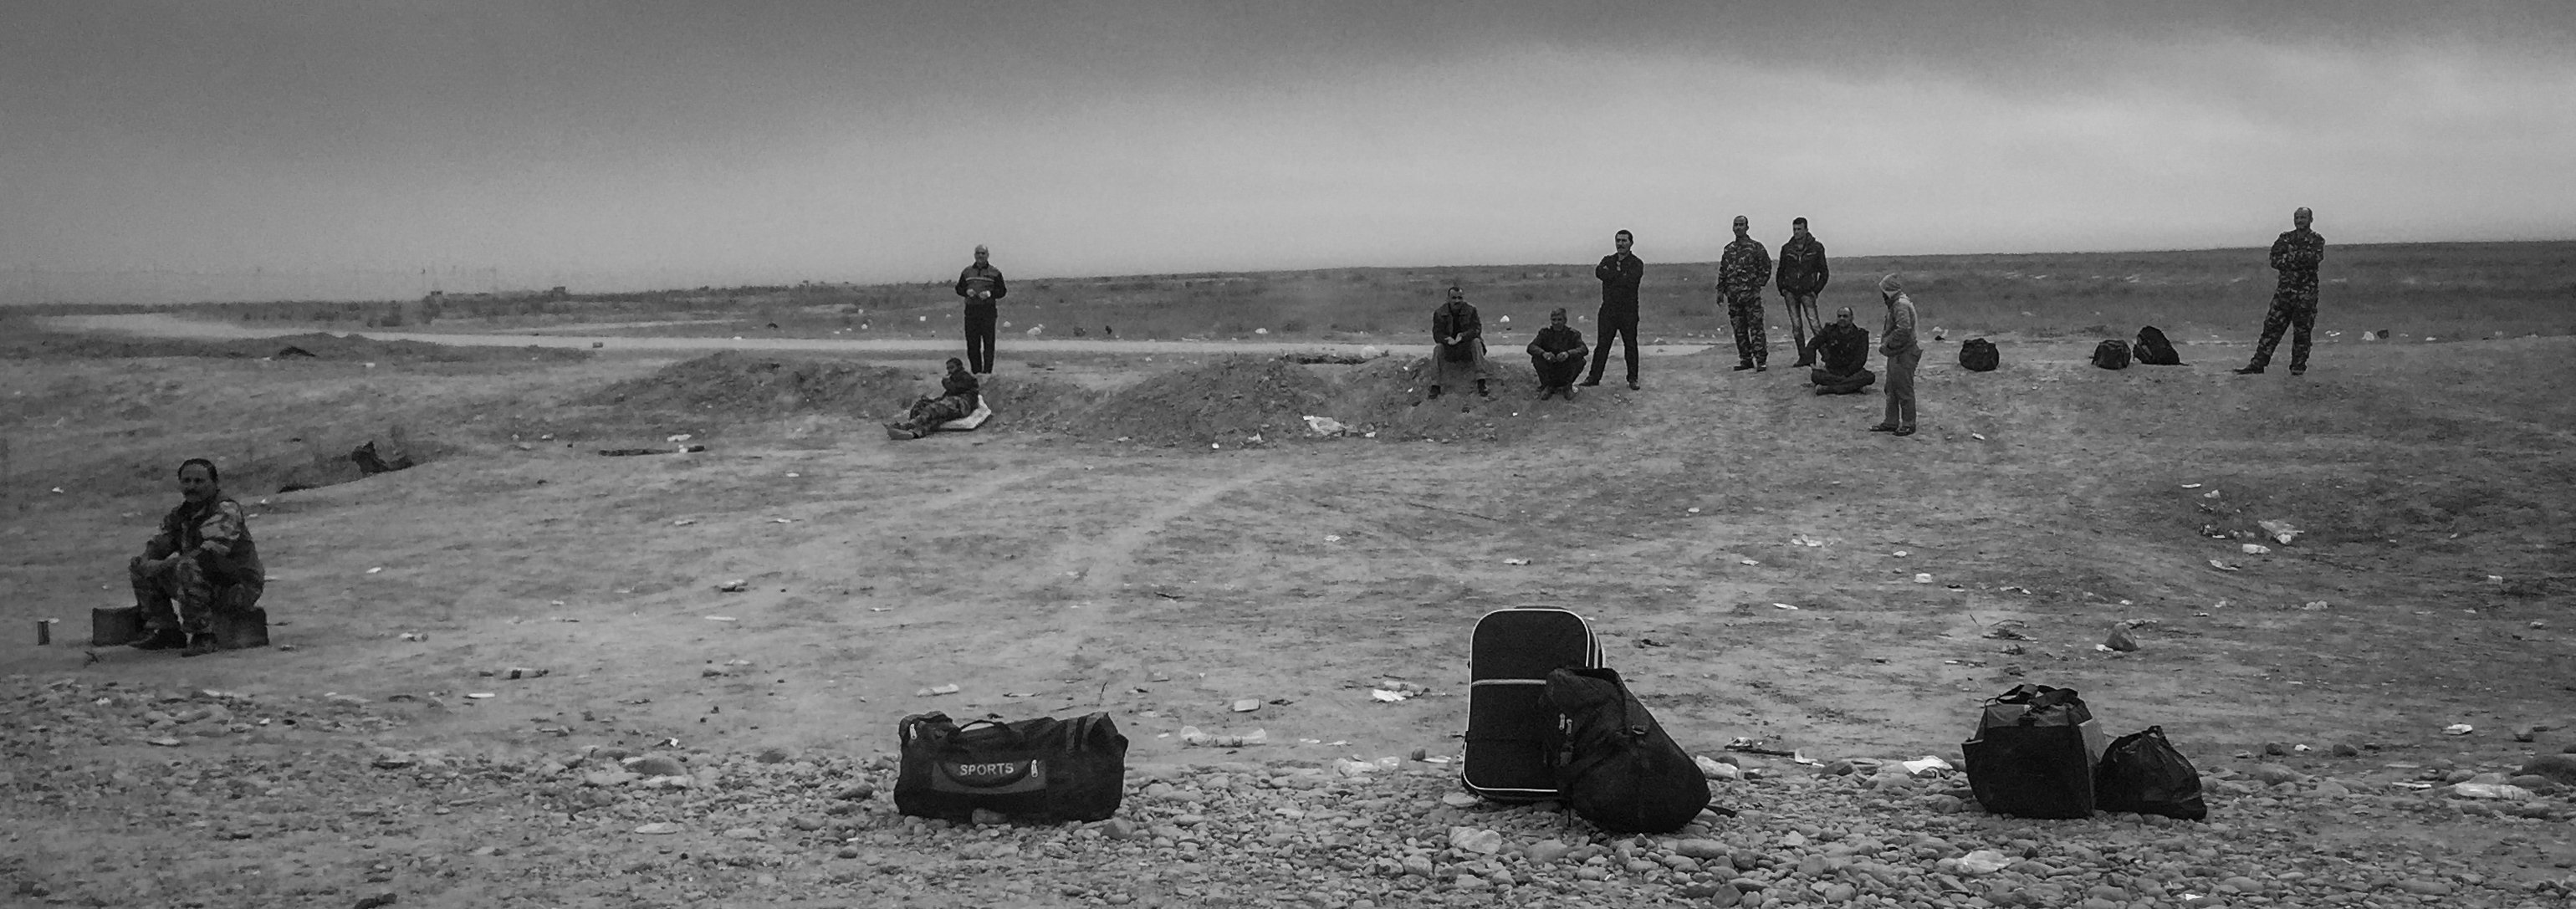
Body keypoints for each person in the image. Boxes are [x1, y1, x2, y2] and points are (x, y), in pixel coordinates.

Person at [128, 458, 264, 656]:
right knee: (139, 565)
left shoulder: (226, 510)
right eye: (187, 481)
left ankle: (204, 635)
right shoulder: (182, 514)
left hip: (237, 586)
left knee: (187, 566)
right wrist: (147, 560)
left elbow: (208, 555)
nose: (192, 487)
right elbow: (160, 544)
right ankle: (165, 629)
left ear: (215, 484)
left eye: (199, 482)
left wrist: (160, 566)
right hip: (203, 581)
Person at [2235, 207, 2325, 376]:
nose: (2300, 221)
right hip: (2284, 293)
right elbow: (2274, 260)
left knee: (2302, 332)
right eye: (2297, 217)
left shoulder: (2317, 240)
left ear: (2311, 220)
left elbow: (2314, 259)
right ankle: (2258, 364)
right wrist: (2298, 258)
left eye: (2303, 218)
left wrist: (2289, 258)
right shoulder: (2285, 238)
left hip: (2306, 295)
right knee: (2271, 328)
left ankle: (2298, 367)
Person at [1584, 230, 1644, 390]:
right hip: (1608, 310)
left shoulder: (1636, 263)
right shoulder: (1608, 259)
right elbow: (1599, 272)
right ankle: (1594, 377)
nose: (1620, 244)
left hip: (1628, 311)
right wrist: (1619, 275)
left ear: (1631, 243)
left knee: (1630, 345)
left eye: (1624, 240)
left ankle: (1633, 378)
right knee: (1602, 345)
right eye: (1618, 240)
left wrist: (1611, 275)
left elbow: (1630, 281)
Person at [1717, 215, 1774, 371]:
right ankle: (1745, 359)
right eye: (1736, 225)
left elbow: (1766, 267)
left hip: (1751, 296)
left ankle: (1761, 360)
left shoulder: (1756, 247)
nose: (1738, 228)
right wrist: (1721, 290)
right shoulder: (1728, 249)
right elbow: (1723, 271)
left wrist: (1758, 284)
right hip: (1734, 297)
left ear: (1747, 227)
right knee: (1739, 329)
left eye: (1741, 224)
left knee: (1756, 328)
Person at [1776, 217, 1831, 367]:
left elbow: (1824, 272)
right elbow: (1781, 270)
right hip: (1791, 292)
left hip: (1808, 292)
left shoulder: (1816, 248)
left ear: (1806, 229)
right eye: (1794, 229)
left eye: (1799, 229)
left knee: (1815, 325)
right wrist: (1783, 289)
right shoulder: (1787, 249)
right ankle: (1803, 356)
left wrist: (1816, 290)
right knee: (1797, 326)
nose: (1796, 232)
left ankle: (1827, 356)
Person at [1871, 274, 1919, 437]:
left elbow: (1904, 329)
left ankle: (1908, 423)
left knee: (1903, 389)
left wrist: (1888, 345)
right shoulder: (1899, 304)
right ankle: (1891, 421)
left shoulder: (1900, 305)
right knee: (1891, 388)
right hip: (1899, 353)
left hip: (1903, 353)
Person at [888, 358, 982, 439]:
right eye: (948, 368)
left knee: (935, 408)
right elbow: (948, 395)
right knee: (931, 414)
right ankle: (916, 433)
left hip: (962, 404)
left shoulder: (966, 377)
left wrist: (946, 382)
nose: (950, 371)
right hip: (955, 404)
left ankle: (910, 425)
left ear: (959, 367)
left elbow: (955, 390)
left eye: (952, 368)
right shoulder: (954, 378)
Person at [1428, 284, 1490, 400]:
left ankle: (1481, 381)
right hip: (1450, 348)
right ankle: (1435, 385)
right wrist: (1447, 339)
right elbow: (1437, 334)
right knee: (1438, 348)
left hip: (1466, 347)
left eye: (1460, 298)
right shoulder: (1440, 313)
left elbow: (1477, 329)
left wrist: (1463, 336)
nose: (1457, 301)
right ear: (1448, 299)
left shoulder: (1471, 311)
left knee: (1476, 342)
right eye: (1454, 298)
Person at [953, 245, 1007, 375]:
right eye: (978, 253)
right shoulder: (967, 272)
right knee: (972, 344)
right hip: (971, 311)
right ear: (974, 255)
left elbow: (1002, 291)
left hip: (988, 311)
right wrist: (966, 291)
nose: (980, 256)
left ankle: (987, 372)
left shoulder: (995, 272)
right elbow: (958, 288)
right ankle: (976, 372)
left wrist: (990, 293)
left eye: (983, 253)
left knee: (988, 344)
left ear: (987, 255)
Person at [1526, 307, 1591, 399]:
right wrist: (1543, 353)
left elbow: (1583, 349)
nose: (1556, 323)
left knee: (1580, 360)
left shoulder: (1573, 334)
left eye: (1559, 320)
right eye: (1554, 320)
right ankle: (1547, 385)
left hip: (1566, 366)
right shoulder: (1545, 333)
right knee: (1537, 359)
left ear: (1565, 321)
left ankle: (1567, 386)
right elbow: (1531, 347)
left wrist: (1568, 354)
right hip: (1550, 365)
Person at [1808, 306, 1875, 395]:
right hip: (1833, 370)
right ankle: (1853, 387)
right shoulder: (1829, 331)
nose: (1842, 319)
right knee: (1816, 376)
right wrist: (1812, 363)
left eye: (1845, 316)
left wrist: (1846, 373)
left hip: (1852, 371)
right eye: (1839, 316)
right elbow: (1812, 344)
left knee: (1869, 377)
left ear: (1852, 318)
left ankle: (1829, 389)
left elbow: (1861, 359)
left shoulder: (1861, 335)